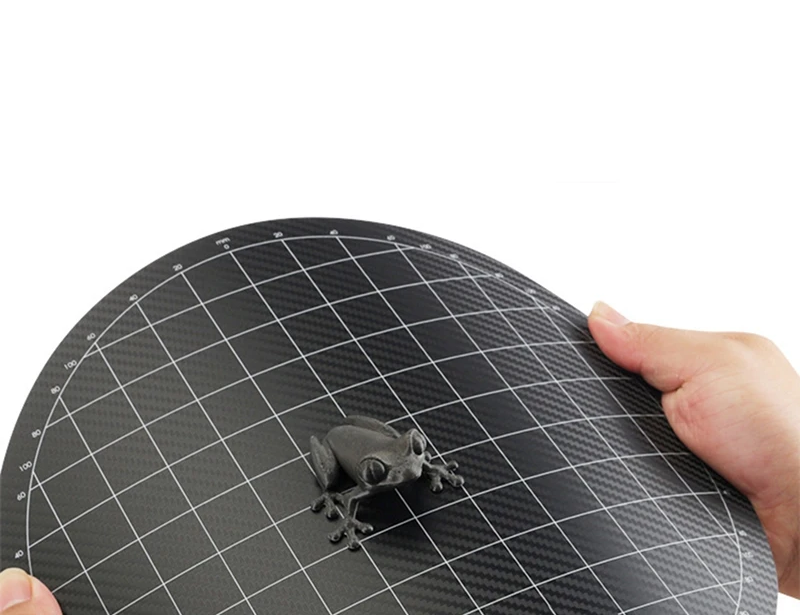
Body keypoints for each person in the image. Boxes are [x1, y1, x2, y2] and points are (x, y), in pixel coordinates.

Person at [1, 301, 797, 612]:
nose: (411, 472)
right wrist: (345, 497)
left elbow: (408, 450)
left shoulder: (408, 457)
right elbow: (351, 470)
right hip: (348, 452)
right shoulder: (366, 474)